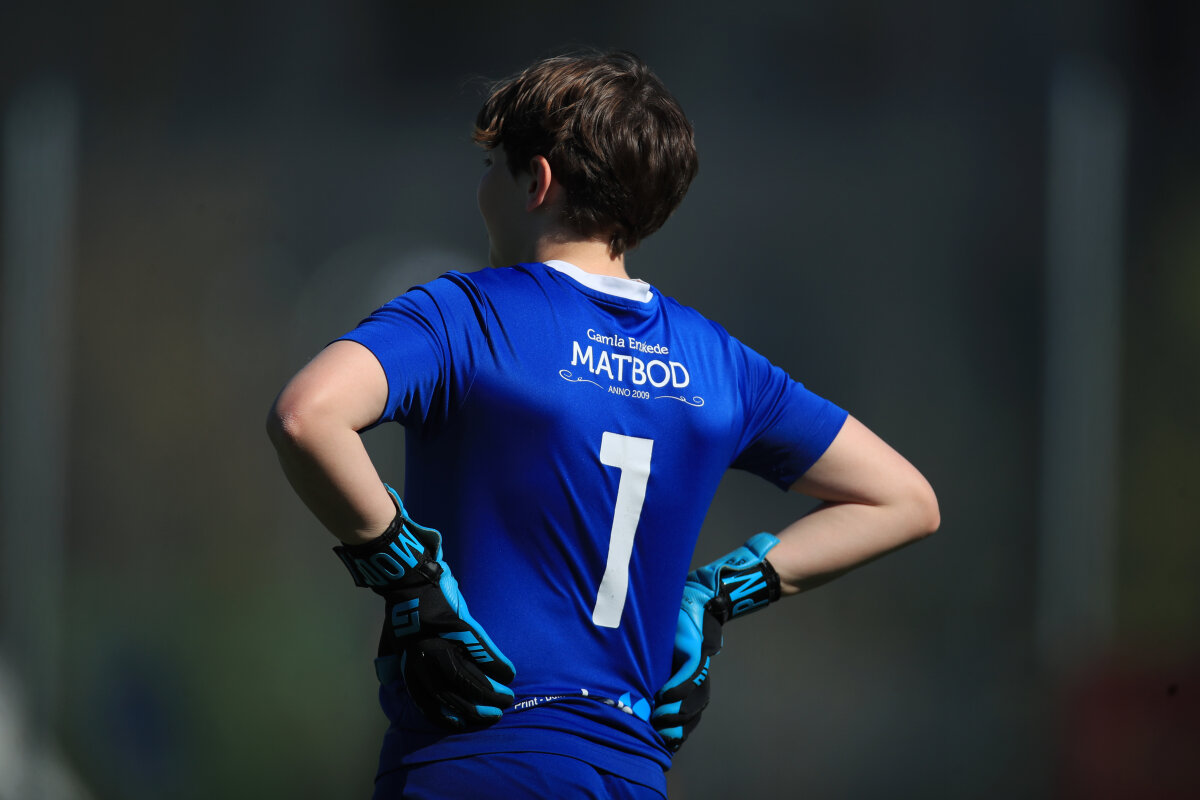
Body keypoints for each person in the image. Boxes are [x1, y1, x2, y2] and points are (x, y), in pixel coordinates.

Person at [266, 49, 939, 800]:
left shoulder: (467, 316)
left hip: (472, 765)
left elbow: (306, 415)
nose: (481, 189)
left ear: (537, 181)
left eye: (491, 167)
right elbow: (904, 500)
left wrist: (410, 581)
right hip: (628, 773)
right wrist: (716, 596)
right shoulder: (720, 365)